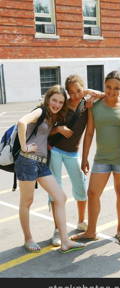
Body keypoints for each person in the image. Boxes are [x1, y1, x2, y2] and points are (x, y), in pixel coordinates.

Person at [14, 85, 85, 253]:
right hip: (27, 161)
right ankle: (28, 239)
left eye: (60, 102)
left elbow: (44, 132)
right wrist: (24, 147)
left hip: (41, 163)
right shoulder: (40, 111)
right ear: (48, 99)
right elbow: (21, 122)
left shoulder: (52, 116)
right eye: (54, 100)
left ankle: (65, 241)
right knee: (27, 201)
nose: (57, 104)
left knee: (60, 197)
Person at [70, 70, 120, 244]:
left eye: (117, 88)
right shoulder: (95, 105)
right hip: (101, 159)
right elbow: (89, 133)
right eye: (109, 87)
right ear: (104, 86)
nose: (112, 91)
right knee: (92, 193)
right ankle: (91, 231)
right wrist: (84, 158)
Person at [48, 75, 105, 247]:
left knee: (80, 185)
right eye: (71, 92)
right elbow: (46, 130)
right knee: (55, 189)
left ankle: (81, 221)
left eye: (79, 91)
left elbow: (104, 95)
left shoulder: (87, 105)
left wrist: (86, 94)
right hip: (55, 150)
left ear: (84, 89)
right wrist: (58, 128)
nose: (75, 95)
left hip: (73, 152)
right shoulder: (62, 105)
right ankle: (57, 229)